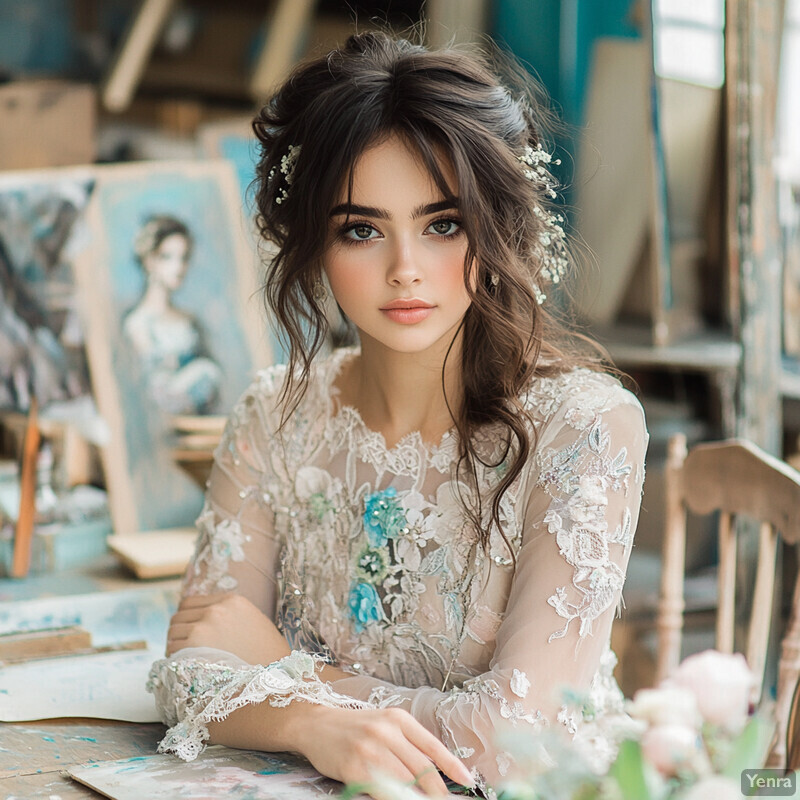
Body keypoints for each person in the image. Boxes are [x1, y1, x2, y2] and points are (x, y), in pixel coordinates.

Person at [147, 30, 648, 798]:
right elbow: (191, 662)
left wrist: (293, 675)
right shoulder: (274, 415)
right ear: (314, 241)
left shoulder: (585, 430)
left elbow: (516, 743)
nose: (405, 268)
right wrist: (311, 726)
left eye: (443, 223)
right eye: (362, 229)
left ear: (499, 225)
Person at [123, 215, 222, 415]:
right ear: (150, 261)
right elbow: (147, 388)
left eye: (184, 258)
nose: (179, 267)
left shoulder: (189, 321)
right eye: (167, 257)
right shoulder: (138, 323)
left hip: (195, 424)